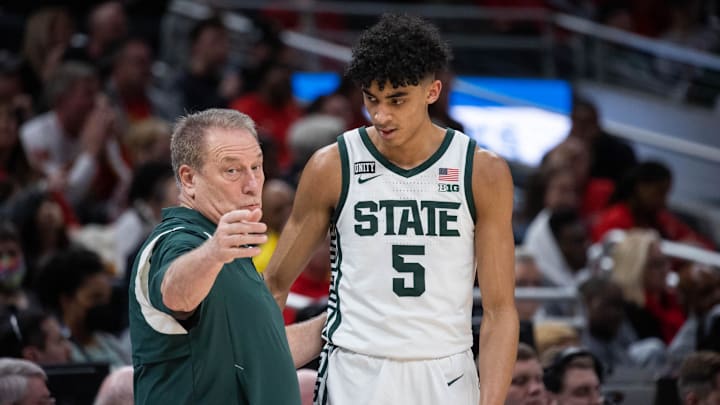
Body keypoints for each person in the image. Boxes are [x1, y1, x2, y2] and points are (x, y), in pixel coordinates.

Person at [264, 13, 518, 405]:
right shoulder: (332, 166)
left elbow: (500, 310)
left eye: (397, 100)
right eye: (372, 98)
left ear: (432, 92)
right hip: (353, 369)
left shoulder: (481, 172)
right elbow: (275, 286)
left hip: (445, 370)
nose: (381, 115)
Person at [128, 109, 325, 404]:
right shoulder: (178, 240)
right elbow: (175, 294)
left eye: (256, 167)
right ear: (189, 178)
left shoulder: (230, 249)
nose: (251, 184)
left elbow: (263, 352)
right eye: (232, 170)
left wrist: (337, 320)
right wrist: (214, 252)